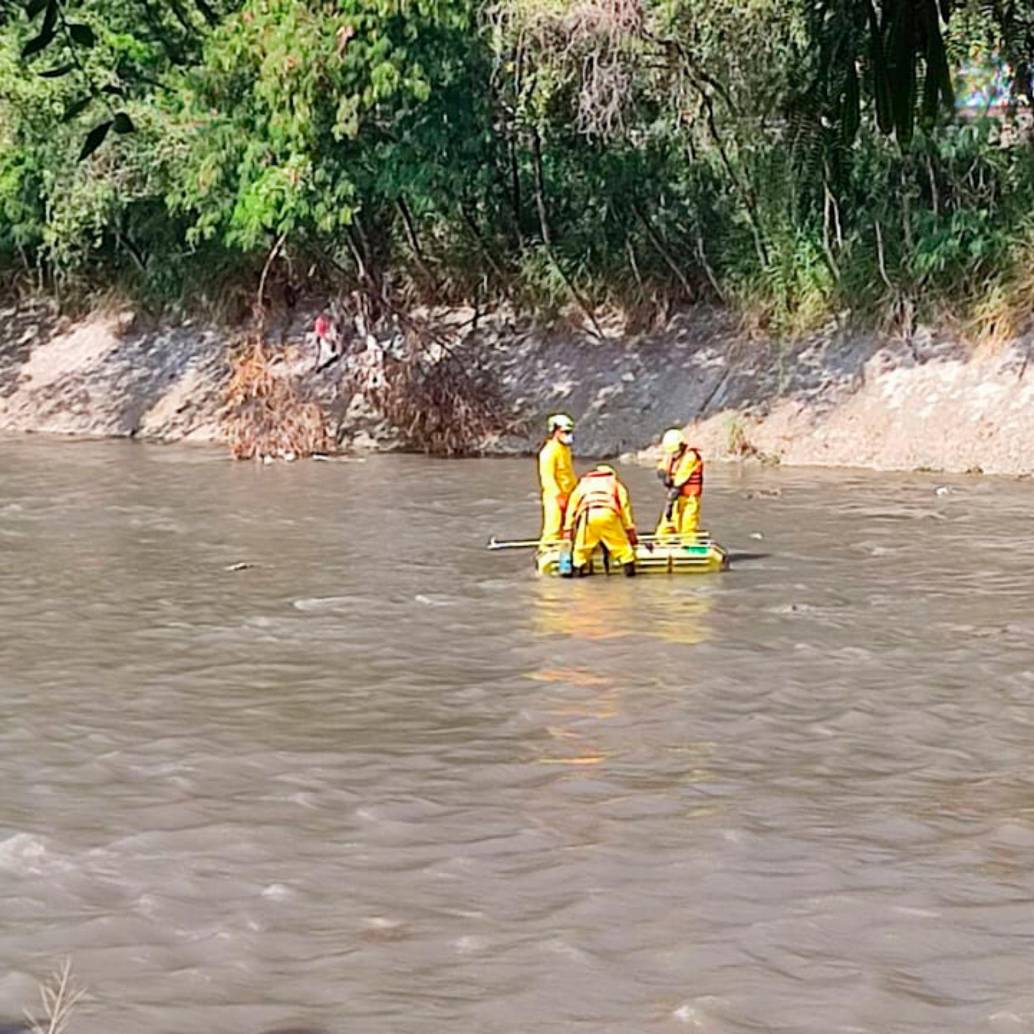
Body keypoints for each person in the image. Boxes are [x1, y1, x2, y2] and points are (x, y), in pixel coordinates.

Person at [562, 464, 639, 577]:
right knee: (622, 548)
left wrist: (567, 529)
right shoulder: (616, 485)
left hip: (588, 516)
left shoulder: (583, 484)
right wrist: (629, 530)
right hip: (608, 515)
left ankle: (577, 572)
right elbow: (624, 508)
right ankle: (629, 572)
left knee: (581, 550)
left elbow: (571, 507)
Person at [655, 428, 704, 538]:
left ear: (681, 446)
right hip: (676, 499)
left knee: (687, 529)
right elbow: (662, 466)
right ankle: (662, 544)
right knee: (664, 529)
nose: (673, 455)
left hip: (689, 500)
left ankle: (689, 545)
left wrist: (669, 505)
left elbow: (678, 482)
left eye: (675, 452)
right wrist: (663, 474)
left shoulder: (690, 457)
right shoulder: (671, 454)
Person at [538, 414, 578, 548]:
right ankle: (547, 550)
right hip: (554, 496)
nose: (568, 435)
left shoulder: (565, 450)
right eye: (565, 432)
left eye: (570, 432)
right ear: (555, 431)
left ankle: (567, 549)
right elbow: (547, 478)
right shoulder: (548, 452)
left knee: (569, 526)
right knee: (553, 526)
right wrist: (558, 496)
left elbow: (569, 473)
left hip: (569, 494)